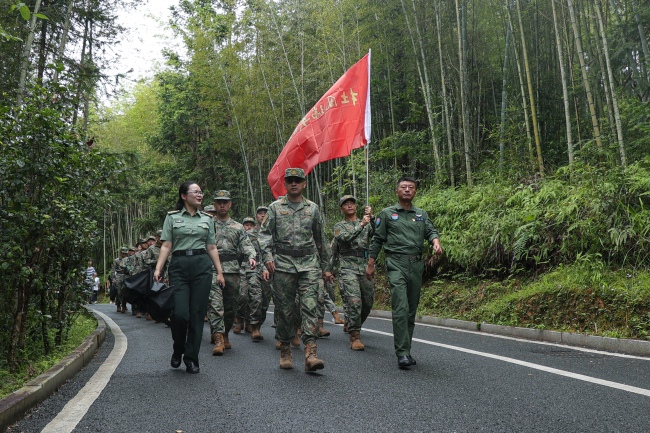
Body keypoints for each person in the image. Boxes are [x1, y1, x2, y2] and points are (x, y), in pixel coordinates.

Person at [258, 168, 332, 372]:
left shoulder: (313, 208)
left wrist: (326, 267)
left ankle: (311, 352)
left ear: (304, 184)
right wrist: (267, 257)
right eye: (290, 180)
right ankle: (285, 349)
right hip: (282, 264)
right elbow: (264, 235)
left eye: (297, 181)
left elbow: (321, 239)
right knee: (285, 310)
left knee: (310, 306)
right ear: (285, 183)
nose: (293, 184)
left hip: (309, 264)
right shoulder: (274, 208)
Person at [366, 176, 442, 369]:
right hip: (395, 263)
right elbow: (377, 240)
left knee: (411, 310)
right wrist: (371, 263)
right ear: (397, 191)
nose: (407, 190)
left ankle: (406, 349)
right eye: (403, 187)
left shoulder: (421, 214)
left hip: (416, 265)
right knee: (400, 306)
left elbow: (430, 231)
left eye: (411, 187)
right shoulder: (387, 213)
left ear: (415, 191)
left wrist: (435, 242)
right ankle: (402, 353)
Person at [154, 181, 225, 374]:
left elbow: (211, 247)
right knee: (179, 314)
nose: (200, 195)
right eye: (195, 192)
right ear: (184, 196)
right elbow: (167, 245)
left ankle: (191, 358)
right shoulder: (172, 217)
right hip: (179, 266)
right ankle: (178, 348)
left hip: (202, 266)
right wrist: (158, 269)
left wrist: (219, 272)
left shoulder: (207, 219)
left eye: (201, 192)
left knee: (196, 315)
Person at [208, 190, 256, 356]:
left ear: (230, 205)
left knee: (230, 307)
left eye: (225, 202)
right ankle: (219, 338)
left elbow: (247, 245)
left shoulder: (237, 227)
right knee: (215, 305)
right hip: (212, 269)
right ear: (214, 204)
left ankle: (225, 333)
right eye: (219, 202)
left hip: (232, 270)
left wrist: (251, 256)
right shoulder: (208, 225)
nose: (222, 205)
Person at [332, 195, 375, 350]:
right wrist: (361, 225)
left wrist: (372, 217)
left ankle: (351, 322)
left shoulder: (366, 223)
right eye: (346, 204)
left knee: (368, 302)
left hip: (364, 266)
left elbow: (378, 234)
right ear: (342, 208)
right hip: (347, 267)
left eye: (352, 203)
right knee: (354, 301)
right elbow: (344, 239)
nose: (349, 205)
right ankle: (355, 336)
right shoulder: (339, 226)